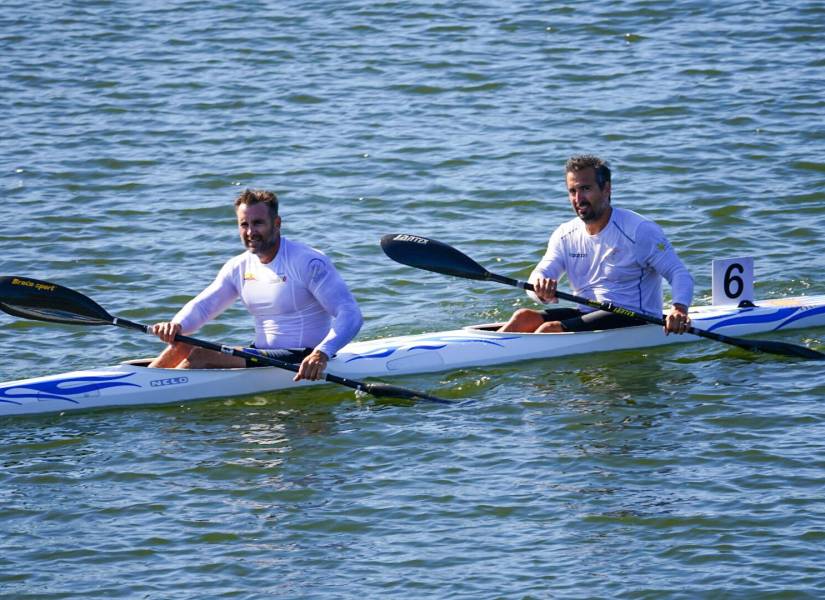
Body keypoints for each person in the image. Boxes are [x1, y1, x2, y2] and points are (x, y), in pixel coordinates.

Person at [149, 189, 363, 381]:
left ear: (277, 223)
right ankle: (145, 381)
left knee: (200, 355)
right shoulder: (238, 266)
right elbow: (205, 306)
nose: (250, 231)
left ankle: (154, 396)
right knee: (183, 342)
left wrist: (322, 353)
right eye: (244, 224)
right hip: (261, 353)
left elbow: (350, 313)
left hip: (304, 355)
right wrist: (176, 325)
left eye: (258, 223)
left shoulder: (307, 262)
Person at [499, 155, 694, 335]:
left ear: (606, 189)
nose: (578, 199)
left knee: (549, 330)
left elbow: (678, 273)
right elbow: (541, 272)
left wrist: (678, 309)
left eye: (585, 189)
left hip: (635, 316)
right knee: (523, 317)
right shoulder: (565, 234)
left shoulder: (639, 231)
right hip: (589, 312)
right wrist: (540, 287)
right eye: (572, 191)